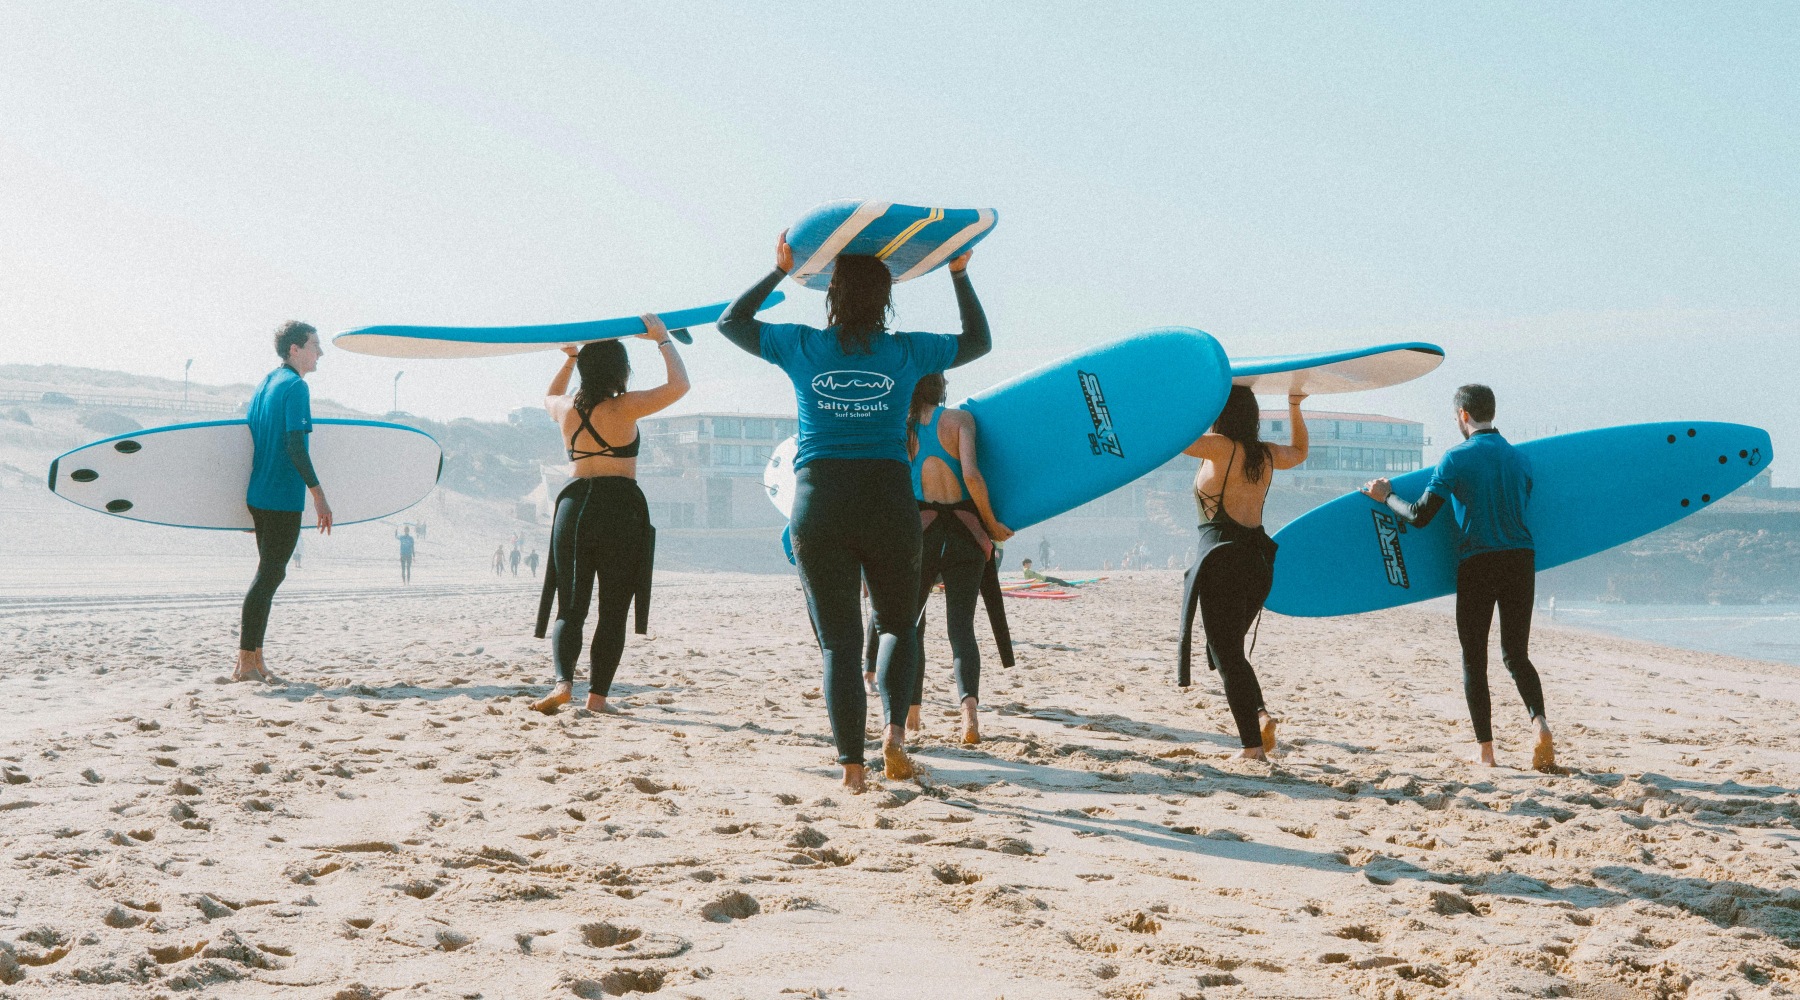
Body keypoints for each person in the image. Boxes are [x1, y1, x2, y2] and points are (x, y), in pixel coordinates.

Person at [719, 234, 990, 792]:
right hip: (889, 499)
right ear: (887, 298)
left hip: (820, 499)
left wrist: (777, 271)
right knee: (896, 623)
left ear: (831, 295)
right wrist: (958, 274)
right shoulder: (907, 351)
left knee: (840, 644)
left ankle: (851, 771)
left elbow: (731, 322)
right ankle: (893, 736)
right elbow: (978, 342)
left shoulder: (801, 346)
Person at [1362, 384, 1554, 771]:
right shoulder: (1520, 460)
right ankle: (1540, 725)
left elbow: (1419, 516)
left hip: (1478, 563)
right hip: (1521, 560)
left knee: (1474, 659)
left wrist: (1385, 497)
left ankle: (1486, 751)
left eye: (1455, 417)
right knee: (1516, 654)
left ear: (1463, 415)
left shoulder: (1455, 458)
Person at [530, 319, 688, 715]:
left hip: (573, 505)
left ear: (585, 370)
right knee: (613, 607)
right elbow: (679, 386)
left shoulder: (565, 408)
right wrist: (663, 341)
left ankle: (563, 681)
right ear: (621, 370)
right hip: (619, 507)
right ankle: (598, 698)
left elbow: (549, 395)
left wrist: (569, 360)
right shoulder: (626, 405)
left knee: (570, 605)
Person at [1176, 387, 1308, 761]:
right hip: (1258, 562)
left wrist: (1200, 397)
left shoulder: (1219, 447)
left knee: (1226, 653)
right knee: (1228, 651)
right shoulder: (1263, 453)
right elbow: (1300, 453)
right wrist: (1295, 406)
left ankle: (1252, 747)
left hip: (1223, 559)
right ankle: (1261, 714)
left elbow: (1177, 438)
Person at [904, 373, 1013, 744]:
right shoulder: (960, 420)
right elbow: (971, 475)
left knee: (911, 625)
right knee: (961, 630)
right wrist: (992, 524)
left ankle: (912, 713)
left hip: (922, 535)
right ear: (941, 387)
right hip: (966, 534)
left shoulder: (902, 429)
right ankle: (969, 718)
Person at [234, 321, 333, 683]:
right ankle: (246, 662)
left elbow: (250, 439)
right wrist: (319, 496)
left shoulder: (265, 385)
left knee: (270, 573)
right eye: (314, 345)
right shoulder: (296, 387)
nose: (320, 352)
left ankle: (255, 660)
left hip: (260, 495)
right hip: (281, 497)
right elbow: (295, 445)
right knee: (269, 576)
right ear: (295, 349)